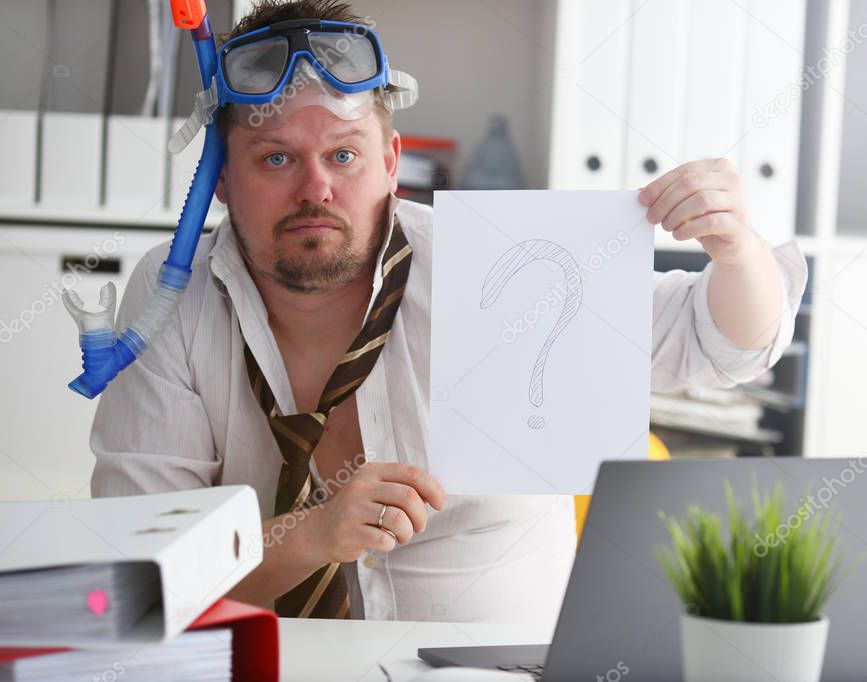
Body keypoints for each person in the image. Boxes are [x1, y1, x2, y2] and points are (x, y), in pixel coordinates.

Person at [91, 0, 807, 629]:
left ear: (391, 162)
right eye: (275, 159)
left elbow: (722, 346)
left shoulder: (497, 258)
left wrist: (736, 250)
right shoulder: (172, 296)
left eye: (343, 154)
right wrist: (310, 537)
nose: (316, 189)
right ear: (218, 179)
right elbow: (144, 578)